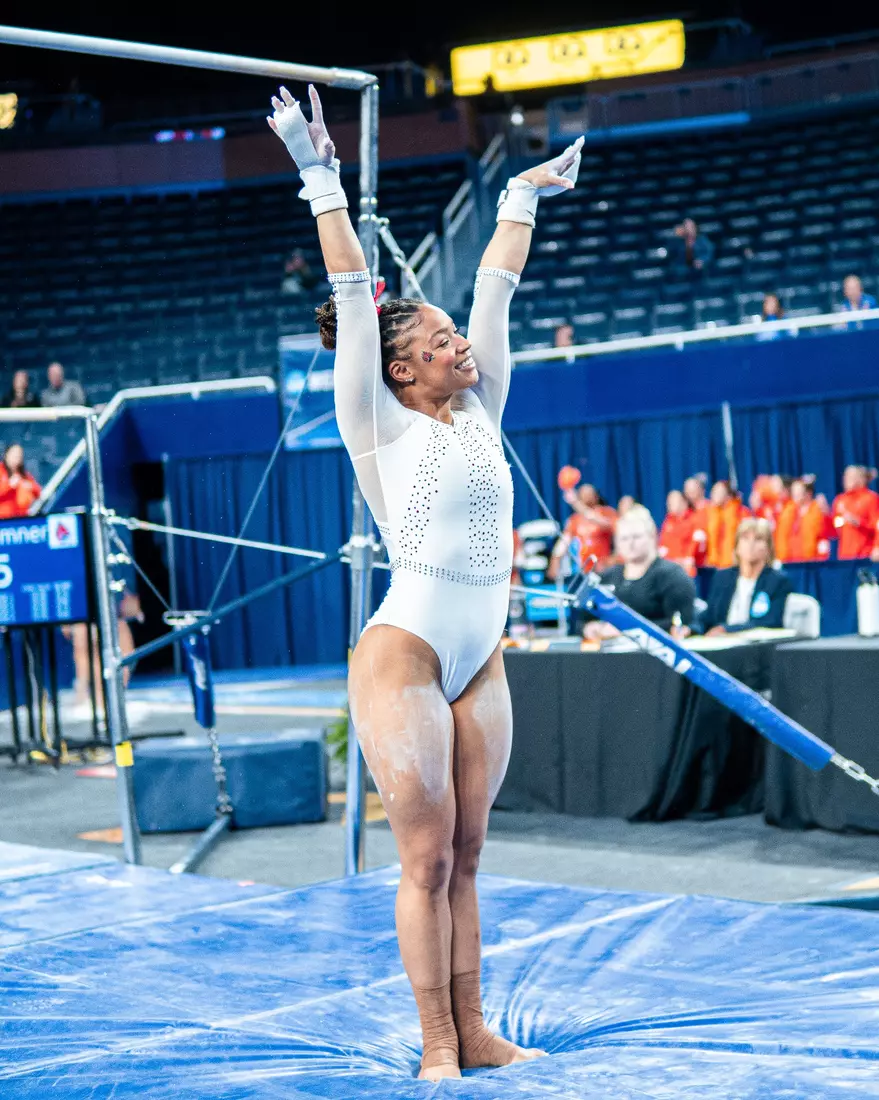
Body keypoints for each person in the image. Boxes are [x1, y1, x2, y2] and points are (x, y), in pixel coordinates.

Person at [268, 84, 583, 1079]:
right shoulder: (378, 422)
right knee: (427, 858)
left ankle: (477, 1025)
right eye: (439, 341)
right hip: (404, 653)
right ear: (401, 371)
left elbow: (497, 284)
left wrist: (523, 193)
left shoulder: (481, 406)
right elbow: (356, 292)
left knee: (473, 856)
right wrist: (320, 174)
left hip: (479, 654)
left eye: (456, 337)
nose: (458, 344)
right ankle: (436, 1042)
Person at [583, 506, 696, 642]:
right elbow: (582, 619)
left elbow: (681, 624)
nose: (630, 544)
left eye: (636, 537)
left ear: (652, 536)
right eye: (624, 539)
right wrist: (589, 628)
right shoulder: (606, 576)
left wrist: (626, 630)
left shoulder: (672, 575)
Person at [698, 517, 793, 635]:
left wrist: (727, 630)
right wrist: (690, 629)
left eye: (758, 539)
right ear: (737, 547)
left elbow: (770, 622)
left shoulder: (777, 581)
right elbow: (708, 617)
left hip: (756, 648)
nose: (751, 544)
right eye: (745, 538)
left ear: (768, 549)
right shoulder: (722, 578)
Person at [549, 482, 617, 578]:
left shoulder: (607, 512)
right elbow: (564, 541)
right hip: (584, 569)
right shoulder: (575, 519)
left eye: (589, 494)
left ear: (596, 496)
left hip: (605, 567)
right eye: (582, 494)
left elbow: (600, 522)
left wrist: (575, 503)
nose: (586, 497)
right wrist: (555, 559)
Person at [776, 475, 831, 563]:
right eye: (793, 491)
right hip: (790, 562)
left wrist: (820, 558)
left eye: (798, 491)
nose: (794, 494)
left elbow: (826, 535)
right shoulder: (787, 511)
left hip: (811, 562)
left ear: (808, 493)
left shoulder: (818, 510)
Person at [831, 465, 879, 560]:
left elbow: (876, 525)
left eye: (850, 477)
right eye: (845, 476)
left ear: (861, 479)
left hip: (865, 553)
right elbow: (836, 528)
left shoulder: (871, 498)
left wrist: (877, 547)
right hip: (845, 555)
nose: (845, 479)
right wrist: (827, 517)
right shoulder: (840, 500)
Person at [705, 479, 750, 569]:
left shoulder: (741, 512)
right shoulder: (710, 513)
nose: (713, 495)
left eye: (718, 492)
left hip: (736, 563)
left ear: (728, 495)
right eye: (713, 491)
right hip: (716, 565)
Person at [658, 489, 703, 577]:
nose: (669, 504)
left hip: (687, 571)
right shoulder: (668, 521)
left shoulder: (694, 519)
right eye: (668, 501)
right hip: (668, 570)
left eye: (673, 501)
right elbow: (663, 545)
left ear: (684, 502)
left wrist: (685, 560)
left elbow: (697, 544)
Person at [0, 444, 41, 518]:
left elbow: (38, 491)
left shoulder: (24, 475)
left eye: (19, 455)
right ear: (6, 455)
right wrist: (9, 485)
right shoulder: (1, 471)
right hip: (3, 519)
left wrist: (31, 487)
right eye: (14, 455)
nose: (17, 458)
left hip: (21, 518)